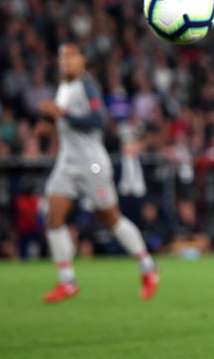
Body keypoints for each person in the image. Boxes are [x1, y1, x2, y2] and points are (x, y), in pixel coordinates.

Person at [39, 43, 159, 303]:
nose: (66, 62)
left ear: (82, 60)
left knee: (111, 219)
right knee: (53, 217)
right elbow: (66, 121)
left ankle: (149, 268)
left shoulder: (87, 85)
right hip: (67, 163)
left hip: (91, 164)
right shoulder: (64, 87)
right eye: (62, 57)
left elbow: (98, 119)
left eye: (71, 57)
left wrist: (62, 113)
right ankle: (67, 281)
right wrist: (49, 125)